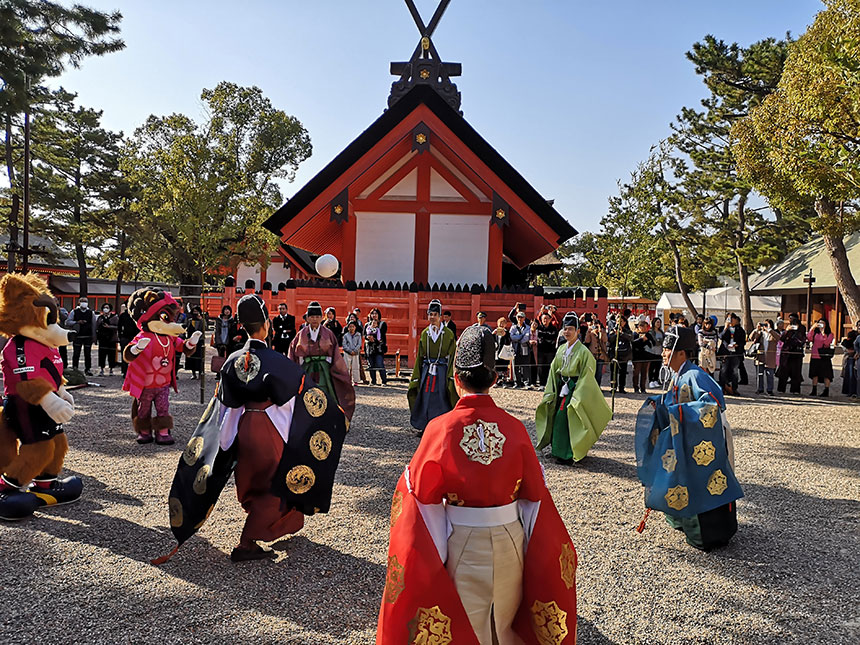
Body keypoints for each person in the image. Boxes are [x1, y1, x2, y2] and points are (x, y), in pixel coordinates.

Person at [377, 325, 578, 645]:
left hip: (461, 541)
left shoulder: (439, 430)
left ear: (455, 378)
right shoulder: (515, 430)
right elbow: (535, 497)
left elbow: (420, 500)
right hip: (510, 540)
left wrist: (436, 553)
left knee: (469, 628)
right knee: (503, 625)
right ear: (495, 379)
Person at [161, 294, 347, 563]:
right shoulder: (277, 362)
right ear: (267, 324)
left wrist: (224, 442)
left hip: (244, 427)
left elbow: (224, 406)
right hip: (270, 429)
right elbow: (301, 402)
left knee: (255, 482)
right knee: (275, 485)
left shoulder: (232, 360)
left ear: (241, 325)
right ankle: (246, 542)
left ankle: (264, 528)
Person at [635, 325, 742, 551]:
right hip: (689, 438)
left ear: (681, 353)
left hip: (705, 440)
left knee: (705, 483)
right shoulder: (680, 374)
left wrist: (679, 413)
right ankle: (684, 522)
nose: (663, 354)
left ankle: (709, 534)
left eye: (667, 350)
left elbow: (714, 402)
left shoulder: (693, 375)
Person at [535, 312, 613, 464]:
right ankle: (557, 450)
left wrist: (578, 393)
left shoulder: (584, 352)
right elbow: (553, 369)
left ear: (578, 331)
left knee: (566, 418)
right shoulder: (562, 349)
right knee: (554, 415)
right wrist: (551, 390)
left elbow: (587, 375)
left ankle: (568, 454)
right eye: (565, 329)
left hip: (575, 388)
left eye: (571, 329)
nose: (567, 332)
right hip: (561, 387)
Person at [288, 301, 355, 421]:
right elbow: (293, 353)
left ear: (321, 318)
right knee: (306, 392)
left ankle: (329, 418)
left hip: (324, 368)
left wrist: (334, 367)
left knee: (325, 391)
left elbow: (335, 353)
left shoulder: (328, 334)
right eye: (312, 316)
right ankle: (305, 419)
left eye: (318, 317)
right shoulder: (301, 334)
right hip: (306, 368)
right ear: (307, 318)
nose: (315, 319)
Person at [408, 299, 457, 432]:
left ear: (440, 316)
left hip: (441, 371)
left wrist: (451, 375)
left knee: (440, 397)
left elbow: (452, 356)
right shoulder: (425, 333)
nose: (432, 317)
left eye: (435, 314)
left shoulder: (448, 334)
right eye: (430, 314)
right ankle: (425, 426)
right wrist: (416, 376)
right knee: (425, 397)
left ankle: (441, 427)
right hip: (427, 370)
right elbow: (419, 357)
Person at [776, 313, 806, 394]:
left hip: (796, 352)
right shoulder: (788, 327)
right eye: (790, 319)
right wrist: (786, 331)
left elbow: (802, 339)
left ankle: (795, 389)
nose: (791, 320)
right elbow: (782, 339)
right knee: (783, 371)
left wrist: (797, 330)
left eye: (792, 318)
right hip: (786, 352)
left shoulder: (802, 328)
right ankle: (781, 389)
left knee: (796, 372)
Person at [749, 320, 780, 395]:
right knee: (759, 374)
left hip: (770, 358)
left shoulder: (773, 334)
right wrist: (757, 329)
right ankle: (760, 389)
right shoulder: (760, 333)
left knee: (770, 374)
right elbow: (751, 337)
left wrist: (769, 330)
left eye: (766, 324)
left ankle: (770, 390)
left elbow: (778, 338)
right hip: (760, 357)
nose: (765, 326)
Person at [718, 313, 745, 396]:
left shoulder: (740, 329)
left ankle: (734, 388)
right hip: (725, 352)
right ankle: (723, 387)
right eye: (729, 319)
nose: (731, 320)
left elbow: (743, 341)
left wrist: (737, 345)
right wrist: (726, 328)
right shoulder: (722, 328)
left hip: (735, 353)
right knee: (723, 370)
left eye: (732, 319)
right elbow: (721, 337)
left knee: (735, 371)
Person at [66, 297, 94, 375]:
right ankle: (75, 368)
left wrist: (94, 336)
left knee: (87, 354)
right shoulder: (74, 311)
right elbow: (68, 322)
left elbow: (93, 325)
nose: (84, 303)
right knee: (76, 353)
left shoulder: (90, 312)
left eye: (85, 301)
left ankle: (88, 369)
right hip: (77, 336)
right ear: (79, 302)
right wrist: (77, 322)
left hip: (88, 336)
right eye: (82, 301)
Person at [807, 317, 835, 397]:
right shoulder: (815, 333)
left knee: (826, 374)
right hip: (815, 355)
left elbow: (827, 343)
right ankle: (814, 389)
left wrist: (823, 333)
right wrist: (812, 328)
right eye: (820, 323)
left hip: (824, 356)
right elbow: (809, 338)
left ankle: (826, 390)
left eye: (823, 323)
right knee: (814, 373)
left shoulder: (830, 334)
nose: (821, 325)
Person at [607, 315, 633, 393]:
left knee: (623, 371)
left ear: (624, 322)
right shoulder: (613, 330)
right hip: (614, 353)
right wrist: (616, 334)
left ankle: (622, 387)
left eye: (621, 321)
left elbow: (630, 338)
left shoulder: (627, 331)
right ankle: (613, 387)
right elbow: (610, 339)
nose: (619, 323)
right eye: (618, 321)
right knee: (613, 371)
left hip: (624, 354)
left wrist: (622, 333)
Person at [535, 311, 558, 387]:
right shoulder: (538, 328)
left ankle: (549, 384)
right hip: (540, 350)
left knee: (549, 367)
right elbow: (538, 337)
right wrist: (547, 336)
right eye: (544, 319)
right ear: (541, 319)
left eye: (547, 319)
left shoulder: (553, 328)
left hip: (550, 351)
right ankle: (541, 384)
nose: (545, 320)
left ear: (550, 319)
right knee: (541, 367)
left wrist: (544, 336)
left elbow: (553, 337)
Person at [508, 311, 531, 388]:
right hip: (515, 348)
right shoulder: (513, 327)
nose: (520, 319)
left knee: (525, 366)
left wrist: (518, 338)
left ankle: (526, 383)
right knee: (515, 366)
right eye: (518, 317)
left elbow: (527, 337)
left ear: (524, 318)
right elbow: (511, 336)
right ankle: (517, 383)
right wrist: (521, 336)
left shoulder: (528, 327)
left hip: (524, 348)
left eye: (521, 317)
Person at [95, 303, 118, 376]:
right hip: (102, 339)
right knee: (102, 354)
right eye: (104, 307)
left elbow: (117, 327)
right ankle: (102, 369)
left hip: (111, 339)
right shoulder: (100, 318)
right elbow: (96, 327)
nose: (106, 309)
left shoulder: (114, 317)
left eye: (107, 307)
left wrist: (109, 327)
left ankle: (111, 369)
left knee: (111, 354)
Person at [364, 315, 387, 386]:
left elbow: (381, 337)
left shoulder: (381, 326)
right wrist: (368, 338)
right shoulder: (367, 326)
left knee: (380, 364)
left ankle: (383, 381)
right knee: (371, 365)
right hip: (369, 347)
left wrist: (376, 340)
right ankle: (373, 381)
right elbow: (364, 335)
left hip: (378, 348)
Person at [184, 306, 206, 380]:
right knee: (191, 357)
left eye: (197, 311)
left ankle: (200, 373)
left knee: (199, 358)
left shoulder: (202, 320)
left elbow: (205, 328)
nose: (195, 313)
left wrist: (202, 320)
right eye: (194, 311)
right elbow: (186, 327)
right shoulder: (190, 320)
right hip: (191, 341)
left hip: (199, 342)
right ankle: (193, 373)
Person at [586, 318, 608, 386]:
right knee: (592, 372)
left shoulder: (602, 332)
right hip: (593, 355)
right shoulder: (591, 333)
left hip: (600, 355)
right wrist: (588, 332)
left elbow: (605, 340)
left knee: (599, 373)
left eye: (596, 325)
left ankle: (598, 386)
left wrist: (601, 332)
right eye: (594, 325)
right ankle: (591, 386)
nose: (595, 327)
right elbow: (587, 341)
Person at [117, 303, 137, 377]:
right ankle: (125, 371)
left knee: (134, 355)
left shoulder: (136, 315)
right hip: (125, 337)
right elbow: (119, 327)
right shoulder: (123, 315)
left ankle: (133, 371)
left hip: (135, 338)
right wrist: (120, 336)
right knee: (124, 355)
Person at [841, 321, 859, 397]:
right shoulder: (852, 334)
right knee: (850, 375)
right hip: (851, 357)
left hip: (857, 355)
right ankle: (850, 391)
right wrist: (849, 351)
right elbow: (845, 345)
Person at [492, 317, 512, 387]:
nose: (501, 325)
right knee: (496, 367)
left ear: (505, 325)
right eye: (500, 323)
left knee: (504, 367)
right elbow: (492, 341)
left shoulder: (507, 332)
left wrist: (505, 335)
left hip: (504, 352)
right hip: (497, 352)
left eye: (503, 323)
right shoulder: (495, 332)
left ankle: (504, 382)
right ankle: (497, 381)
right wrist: (493, 334)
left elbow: (509, 342)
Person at [342, 320, 362, 386]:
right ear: (348, 328)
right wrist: (350, 351)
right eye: (350, 327)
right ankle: (346, 380)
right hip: (347, 352)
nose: (351, 328)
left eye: (353, 326)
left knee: (355, 367)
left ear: (355, 327)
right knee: (346, 367)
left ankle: (355, 381)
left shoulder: (358, 335)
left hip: (355, 353)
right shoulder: (345, 335)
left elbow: (359, 344)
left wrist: (355, 350)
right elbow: (344, 345)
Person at [648, 317, 665, 387]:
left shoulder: (661, 332)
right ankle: (650, 381)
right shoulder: (651, 331)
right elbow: (653, 341)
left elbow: (663, 341)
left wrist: (660, 341)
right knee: (652, 367)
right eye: (657, 322)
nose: (658, 324)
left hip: (660, 351)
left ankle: (656, 379)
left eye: (659, 322)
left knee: (658, 366)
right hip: (652, 351)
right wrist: (659, 341)